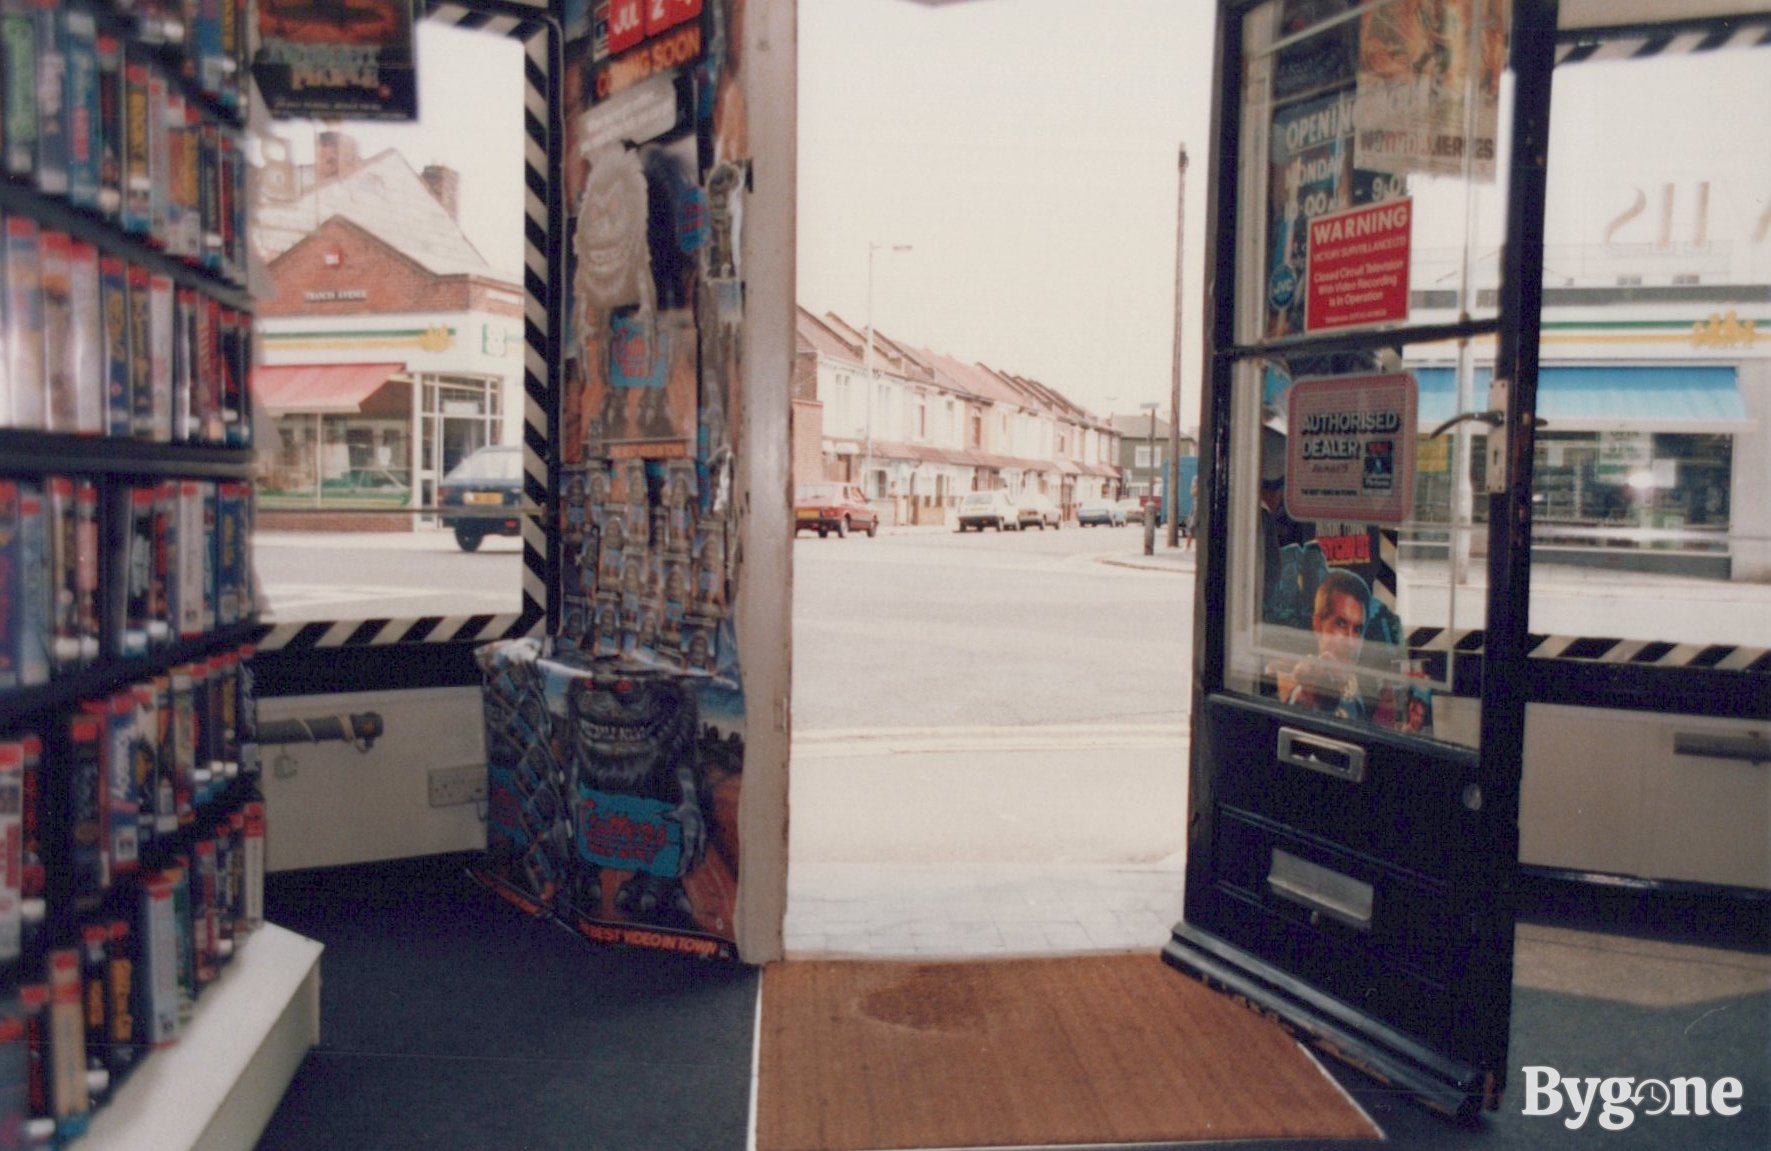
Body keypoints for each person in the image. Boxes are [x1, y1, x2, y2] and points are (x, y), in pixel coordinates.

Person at [1275, 568, 1370, 722]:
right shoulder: (1291, 677)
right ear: (1318, 624)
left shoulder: (1365, 690)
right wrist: (1301, 698)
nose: (1351, 641)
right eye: (1341, 624)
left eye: (1358, 629)